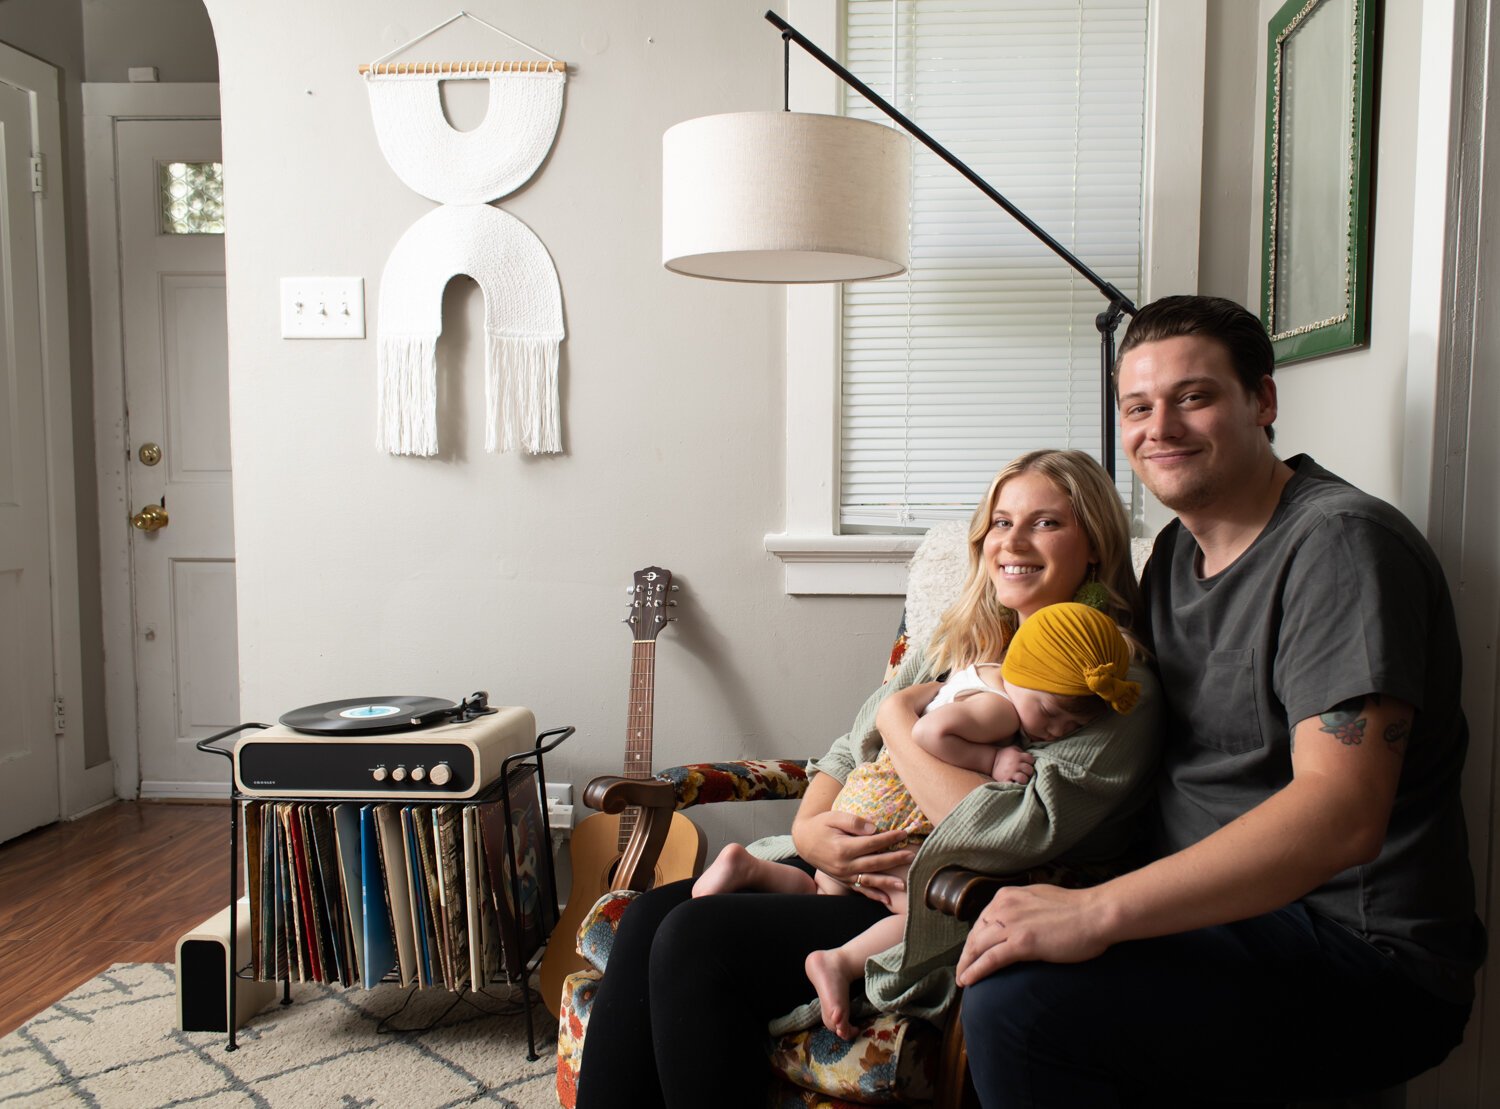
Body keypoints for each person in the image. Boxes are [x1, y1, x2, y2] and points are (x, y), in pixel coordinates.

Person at [954, 295, 1485, 1106]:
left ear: (1263, 402)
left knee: (1019, 1008)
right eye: (1138, 406)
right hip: (1212, 913)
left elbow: (1342, 814)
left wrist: (1096, 910)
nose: (1158, 427)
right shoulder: (1172, 554)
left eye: (1193, 397)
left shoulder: (1339, 548)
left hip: (1358, 948)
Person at [574, 449, 1162, 1109]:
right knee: (653, 913)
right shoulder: (959, 640)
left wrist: (897, 716)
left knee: (694, 939)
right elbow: (846, 752)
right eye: (1000, 522)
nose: (1013, 542)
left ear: (1095, 546)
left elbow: (1002, 835)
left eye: (1046, 523)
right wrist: (810, 830)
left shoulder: (1108, 682)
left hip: (932, 900)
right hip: (846, 860)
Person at [690, 602, 1142, 1040]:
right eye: (1050, 714)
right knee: (930, 915)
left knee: (803, 894)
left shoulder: (979, 667)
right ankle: (842, 962)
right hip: (895, 813)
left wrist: (895, 715)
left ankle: (748, 867)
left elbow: (1018, 825)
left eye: (1070, 727)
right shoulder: (1000, 707)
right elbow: (926, 733)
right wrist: (994, 756)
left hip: (865, 799)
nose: (1056, 731)